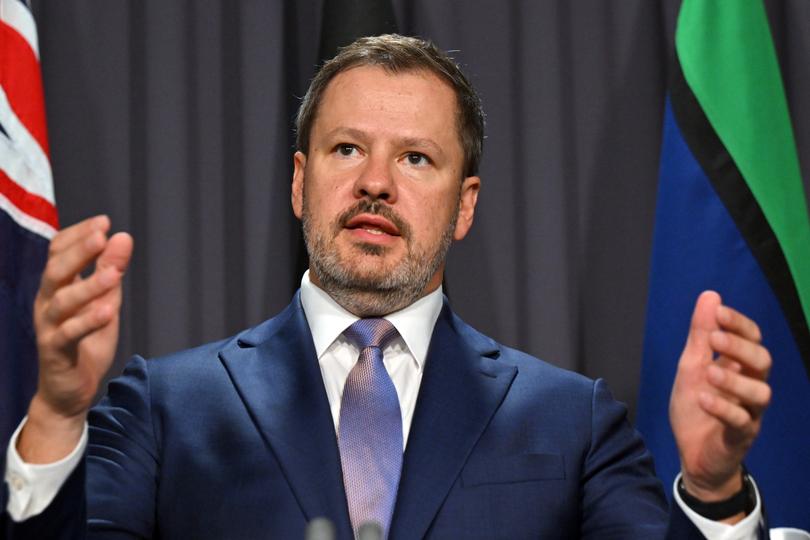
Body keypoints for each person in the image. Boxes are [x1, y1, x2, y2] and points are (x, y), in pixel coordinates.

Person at [3, 35, 771, 539]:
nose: (374, 183)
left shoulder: (573, 423)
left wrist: (711, 492)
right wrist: (55, 414)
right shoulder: (164, 409)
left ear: (464, 204)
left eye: (415, 159)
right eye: (346, 149)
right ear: (301, 183)